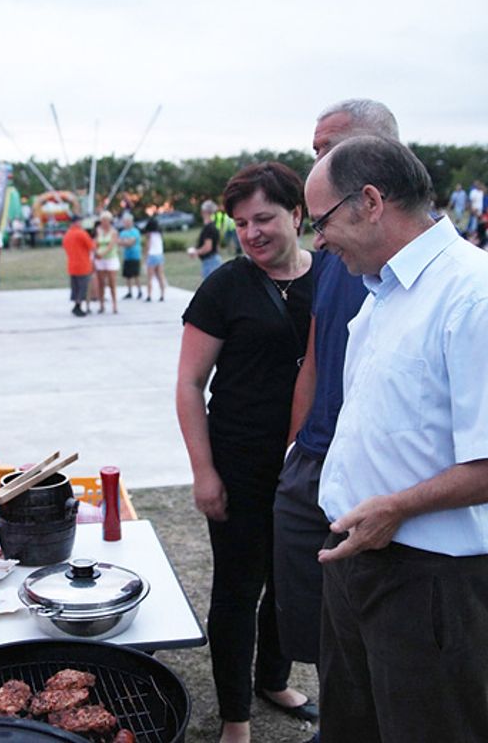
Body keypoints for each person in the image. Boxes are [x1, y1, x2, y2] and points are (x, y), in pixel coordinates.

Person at [304, 135, 488, 743]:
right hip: (357, 559)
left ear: (370, 201)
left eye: (322, 220)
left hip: (429, 582)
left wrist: (397, 508)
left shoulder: (480, 295)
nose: (317, 239)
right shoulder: (384, 292)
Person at [176, 162, 317, 743]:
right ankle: (236, 715)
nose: (252, 232)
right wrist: (204, 472)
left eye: (264, 218)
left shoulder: (331, 274)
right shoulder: (225, 286)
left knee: (290, 580)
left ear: (298, 214)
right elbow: (188, 386)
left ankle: (272, 679)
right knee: (238, 589)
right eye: (240, 223)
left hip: (306, 460)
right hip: (236, 460)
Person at [278, 98, 398, 743]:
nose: (313, 160)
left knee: (391, 645)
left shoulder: (441, 277)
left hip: (377, 480)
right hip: (317, 458)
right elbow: (317, 358)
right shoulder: (335, 252)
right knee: (324, 626)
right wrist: (297, 448)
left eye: (325, 148)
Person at [63, 214, 93, 316]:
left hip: (72, 265)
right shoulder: (81, 233)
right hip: (82, 264)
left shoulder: (67, 234)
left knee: (75, 287)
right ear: (77, 222)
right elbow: (91, 246)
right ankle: (78, 306)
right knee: (83, 287)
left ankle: (76, 304)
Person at [93, 210, 120, 313]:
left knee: (112, 283)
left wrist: (101, 254)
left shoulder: (114, 232)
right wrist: (96, 253)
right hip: (100, 260)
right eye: (102, 220)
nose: (104, 222)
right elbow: (95, 242)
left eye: (106, 220)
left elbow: (111, 245)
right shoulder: (98, 230)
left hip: (111, 258)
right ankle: (101, 305)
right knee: (101, 283)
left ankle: (114, 305)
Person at [191, 200, 223, 278]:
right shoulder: (214, 226)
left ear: (204, 212)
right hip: (215, 259)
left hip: (210, 262)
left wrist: (196, 252)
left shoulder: (208, 228)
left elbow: (208, 247)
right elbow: (217, 247)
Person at [118, 212, 143, 299]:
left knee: (136, 274)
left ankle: (139, 291)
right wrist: (125, 242)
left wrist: (125, 242)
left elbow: (131, 243)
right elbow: (119, 242)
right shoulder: (122, 232)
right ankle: (129, 292)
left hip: (135, 256)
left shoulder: (135, 231)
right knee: (127, 275)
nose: (126, 223)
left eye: (127, 221)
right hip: (127, 256)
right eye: (125, 221)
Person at [143, 216, 167, 302]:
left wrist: (145, 256)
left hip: (152, 255)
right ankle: (162, 294)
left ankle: (149, 295)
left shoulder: (149, 235)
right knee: (160, 276)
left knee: (150, 277)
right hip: (160, 255)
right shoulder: (159, 234)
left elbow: (148, 246)